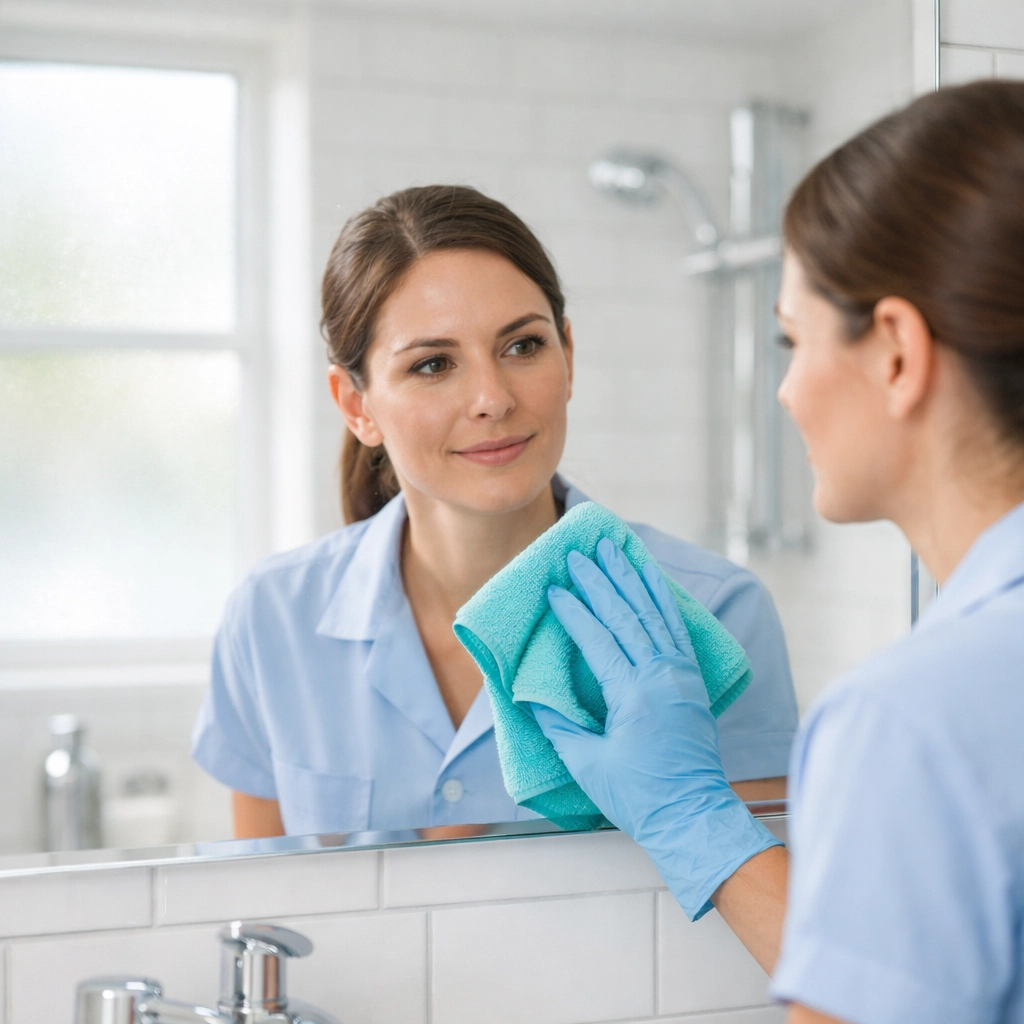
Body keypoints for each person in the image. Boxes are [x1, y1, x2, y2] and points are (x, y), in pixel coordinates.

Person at [532, 80, 1024, 1024]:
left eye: (791, 340)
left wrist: (685, 813)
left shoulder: (910, 723)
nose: (787, 392)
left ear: (894, 352)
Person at [191, 185, 798, 839]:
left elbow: (749, 905)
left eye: (522, 347)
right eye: (432, 364)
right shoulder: (272, 619)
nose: (491, 398)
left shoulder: (714, 611)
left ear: (568, 356)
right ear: (355, 406)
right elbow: (264, 906)